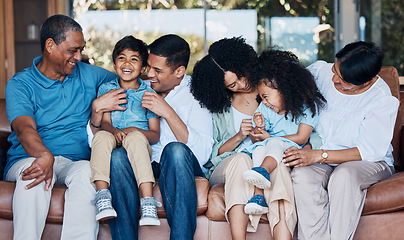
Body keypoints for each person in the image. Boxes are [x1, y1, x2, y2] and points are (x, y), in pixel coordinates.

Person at [4, 14, 125, 240]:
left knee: (89, 173)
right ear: (50, 45)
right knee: (35, 173)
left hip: (74, 161)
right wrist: (43, 155)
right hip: (28, 158)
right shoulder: (20, 84)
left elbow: (132, 80)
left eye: (81, 49)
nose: (79, 57)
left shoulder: (90, 75)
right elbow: (24, 128)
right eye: (72, 50)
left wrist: (98, 106)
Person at [283, 41, 399, 240]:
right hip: (321, 156)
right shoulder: (321, 72)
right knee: (303, 175)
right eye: (335, 69)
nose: (334, 78)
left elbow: (366, 151)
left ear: (366, 81)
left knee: (344, 176)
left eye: (343, 79)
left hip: (366, 161)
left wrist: (318, 155)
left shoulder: (381, 99)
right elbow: (289, 83)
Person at [106, 34, 214, 240]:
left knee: (174, 150)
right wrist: (97, 109)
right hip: (143, 160)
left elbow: (202, 154)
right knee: (117, 157)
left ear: (179, 71)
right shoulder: (134, 87)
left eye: (158, 71)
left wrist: (167, 111)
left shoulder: (197, 93)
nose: (149, 74)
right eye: (148, 67)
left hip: (177, 164)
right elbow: (99, 135)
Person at [190, 37, 295, 240]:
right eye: (232, 85)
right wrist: (239, 136)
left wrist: (268, 138)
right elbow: (215, 154)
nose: (242, 84)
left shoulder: (273, 91)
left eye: (241, 76)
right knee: (242, 160)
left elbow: (301, 129)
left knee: (277, 165)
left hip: (269, 157)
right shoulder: (222, 108)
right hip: (229, 163)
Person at [241, 50, 326, 217]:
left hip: (291, 149)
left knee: (272, 144)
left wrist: (270, 137)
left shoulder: (307, 108)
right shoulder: (265, 108)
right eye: (261, 98)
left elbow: (302, 137)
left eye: (265, 96)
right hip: (269, 148)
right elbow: (256, 136)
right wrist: (258, 128)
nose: (263, 102)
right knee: (258, 149)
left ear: (284, 89)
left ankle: (264, 170)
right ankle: (258, 196)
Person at [90, 36, 161, 225]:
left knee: (136, 138)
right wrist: (113, 130)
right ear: (114, 64)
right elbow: (104, 124)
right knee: (100, 138)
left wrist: (131, 130)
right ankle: (103, 197)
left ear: (143, 67)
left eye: (134, 59)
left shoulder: (149, 94)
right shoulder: (106, 89)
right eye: (122, 58)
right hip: (113, 139)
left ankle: (148, 203)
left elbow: (154, 135)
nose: (127, 63)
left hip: (138, 143)